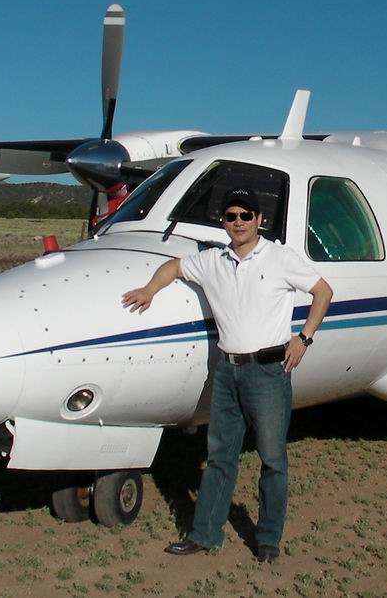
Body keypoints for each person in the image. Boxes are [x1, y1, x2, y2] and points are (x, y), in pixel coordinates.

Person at [121, 187, 333, 563]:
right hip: (226, 371)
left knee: (272, 459)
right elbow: (174, 266)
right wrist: (150, 289)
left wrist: (304, 338)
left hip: (268, 372)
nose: (238, 223)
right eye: (231, 216)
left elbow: (322, 292)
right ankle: (205, 534)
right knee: (220, 456)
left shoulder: (281, 258)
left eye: (246, 216)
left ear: (260, 221)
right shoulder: (212, 260)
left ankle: (267, 539)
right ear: (224, 222)